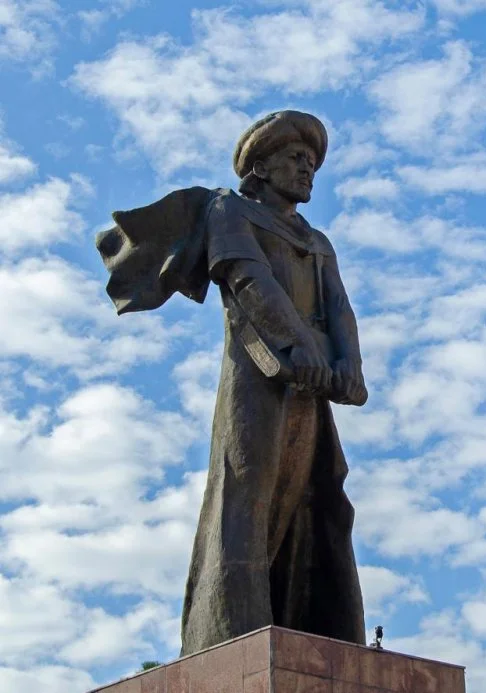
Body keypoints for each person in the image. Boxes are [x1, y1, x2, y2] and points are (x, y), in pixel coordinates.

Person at [95, 110, 368, 656]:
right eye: (296, 159)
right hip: (258, 379)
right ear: (261, 167)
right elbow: (250, 281)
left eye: (312, 163)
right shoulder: (230, 212)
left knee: (320, 498)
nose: (307, 170)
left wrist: (350, 367)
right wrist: (299, 347)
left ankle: (318, 635)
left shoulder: (318, 241)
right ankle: (228, 638)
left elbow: (339, 307)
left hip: (311, 389)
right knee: (246, 497)